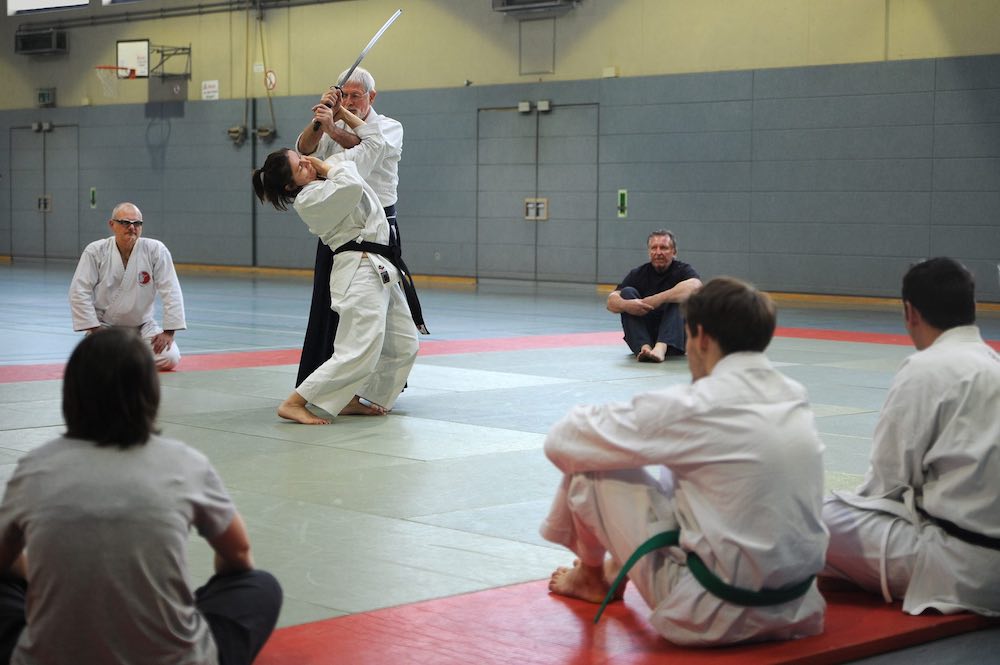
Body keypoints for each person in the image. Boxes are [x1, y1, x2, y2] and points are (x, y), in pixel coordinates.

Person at [540, 277, 828, 646]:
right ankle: (610, 570)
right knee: (698, 476)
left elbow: (563, 440)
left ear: (702, 338)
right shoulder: (794, 394)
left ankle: (591, 576)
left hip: (714, 614)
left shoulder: (697, 405)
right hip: (799, 608)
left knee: (591, 466)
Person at [0, 327, 282, 665]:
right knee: (259, 586)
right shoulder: (184, 463)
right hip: (174, 658)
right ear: (151, 394)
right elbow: (239, 555)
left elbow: (3, 558)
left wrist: (50, 584)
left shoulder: (35, 468)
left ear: (70, 394)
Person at [822, 257, 1000, 616]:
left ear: (910, 312)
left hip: (956, 565)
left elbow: (887, 483)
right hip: (980, 552)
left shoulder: (926, 368)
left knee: (811, 517)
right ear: (972, 309)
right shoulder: (992, 364)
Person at [252, 93, 423, 425]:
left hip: (383, 266)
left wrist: (340, 111)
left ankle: (360, 398)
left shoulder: (333, 172)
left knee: (404, 344)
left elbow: (376, 141)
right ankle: (295, 401)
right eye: (300, 165)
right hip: (358, 270)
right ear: (290, 186)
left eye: (302, 158)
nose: (307, 161)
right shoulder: (311, 197)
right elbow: (350, 188)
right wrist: (326, 164)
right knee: (356, 349)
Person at [295, 67, 404, 387]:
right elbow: (304, 149)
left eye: (357, 95)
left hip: (378, 228)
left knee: (379, 310)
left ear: (372, 96)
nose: (351, 101)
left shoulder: (389, 127)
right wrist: (321, 119)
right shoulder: (331, 124)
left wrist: (334, 123)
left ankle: (372, 386)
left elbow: (367, 147)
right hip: (339, 229)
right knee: (328, 305)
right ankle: (320, 380)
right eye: (346, 95)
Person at [68, 202, 186, 371]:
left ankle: (123, 360)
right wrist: (95, 328)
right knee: (93, 361)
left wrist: (168, 332)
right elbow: (79, 291)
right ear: (112, 225)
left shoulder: (155, 250)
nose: (132, 227)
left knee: (170, 357)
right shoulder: (95, 251)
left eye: (137, 223)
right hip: (106, 327)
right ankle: (132, 360)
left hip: (143, 326)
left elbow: (171, 289)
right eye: (125, 223)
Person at [606, 230, 702, 363]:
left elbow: (696, 286)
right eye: (654, 248)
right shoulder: (638, 274)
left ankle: (660, 348)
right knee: (627, 292)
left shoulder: (683, 270)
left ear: (674, 252)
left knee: (678, 295)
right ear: (649, 251)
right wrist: (628, 305)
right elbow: (611, 302)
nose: (658, 252)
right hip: (647, 337)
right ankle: (644, 348)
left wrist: (656, 300)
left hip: (675, 340)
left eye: (663, 248)